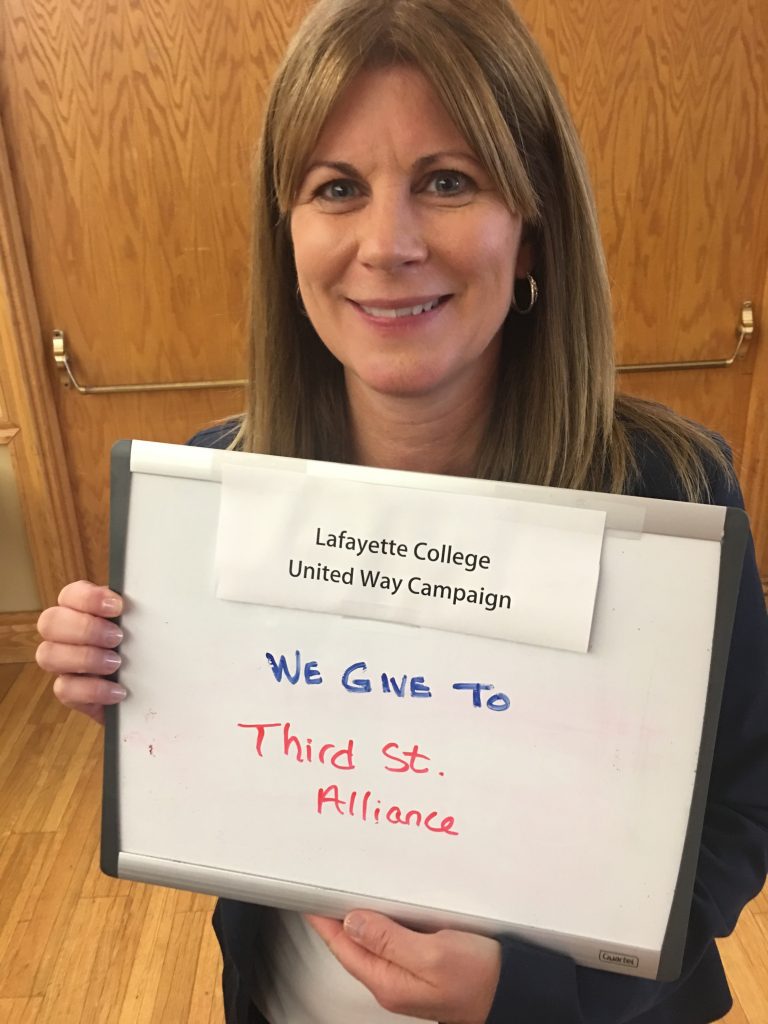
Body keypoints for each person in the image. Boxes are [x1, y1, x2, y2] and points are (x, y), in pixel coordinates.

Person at [36, 0, 768, 1021]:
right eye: (337, 188)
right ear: (287, 232)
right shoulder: (211, 495)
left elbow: (740, 807)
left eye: (448, 181)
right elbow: (234, 779)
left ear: (533, 219)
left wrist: (532, 993)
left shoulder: (670, 493)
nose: (388, 243)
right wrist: (133, 677)